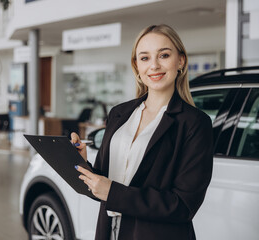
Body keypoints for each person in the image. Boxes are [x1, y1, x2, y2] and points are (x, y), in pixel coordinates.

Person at [71, 24, 213, 240]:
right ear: (136, 65)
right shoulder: (119, 114)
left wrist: (113, 193)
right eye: (145, 58)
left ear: (181, 61)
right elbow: (105, 186)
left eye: (164, 55)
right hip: (110, 232)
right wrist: (83, 165)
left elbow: (183, 206)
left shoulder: (194, 123)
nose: (154, 65)